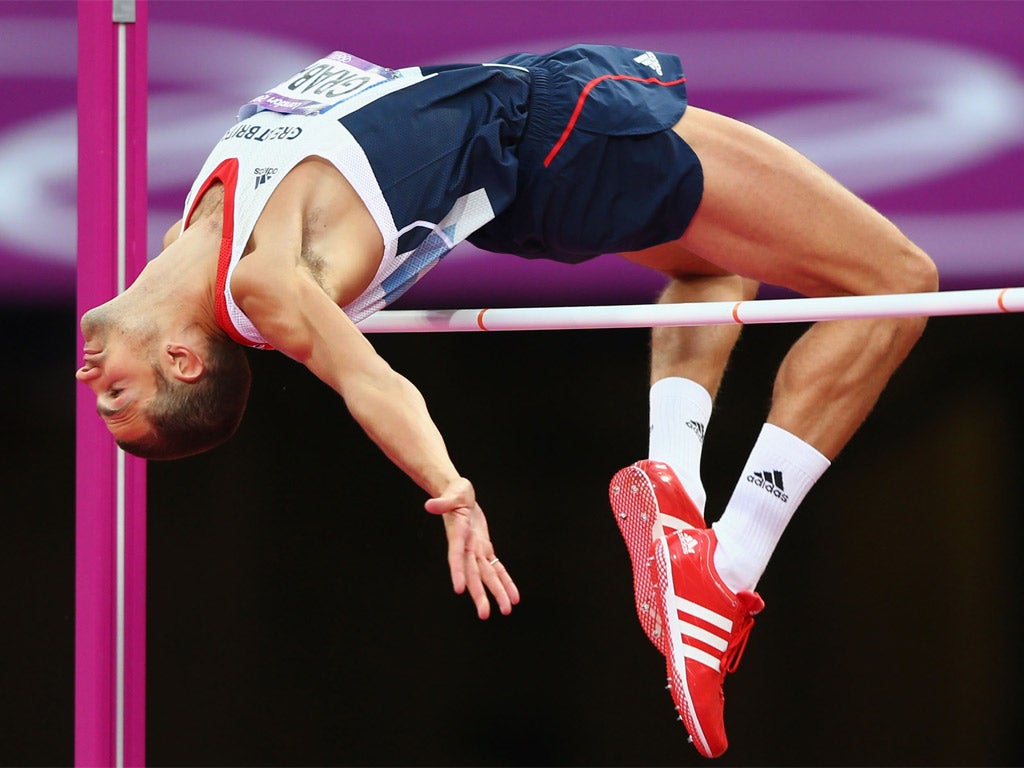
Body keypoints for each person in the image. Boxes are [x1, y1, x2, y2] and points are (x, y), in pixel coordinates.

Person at [75, 45, 938, 757]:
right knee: (898, 282)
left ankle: (676, 496)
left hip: (526, 180)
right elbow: (372, 380)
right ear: (184, 362)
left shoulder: (188, 237)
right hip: (555, 134)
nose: (87, 378)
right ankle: (731, 567)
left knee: (710, 267)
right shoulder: (262, 283)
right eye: (118, 394)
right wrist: (451, 492)